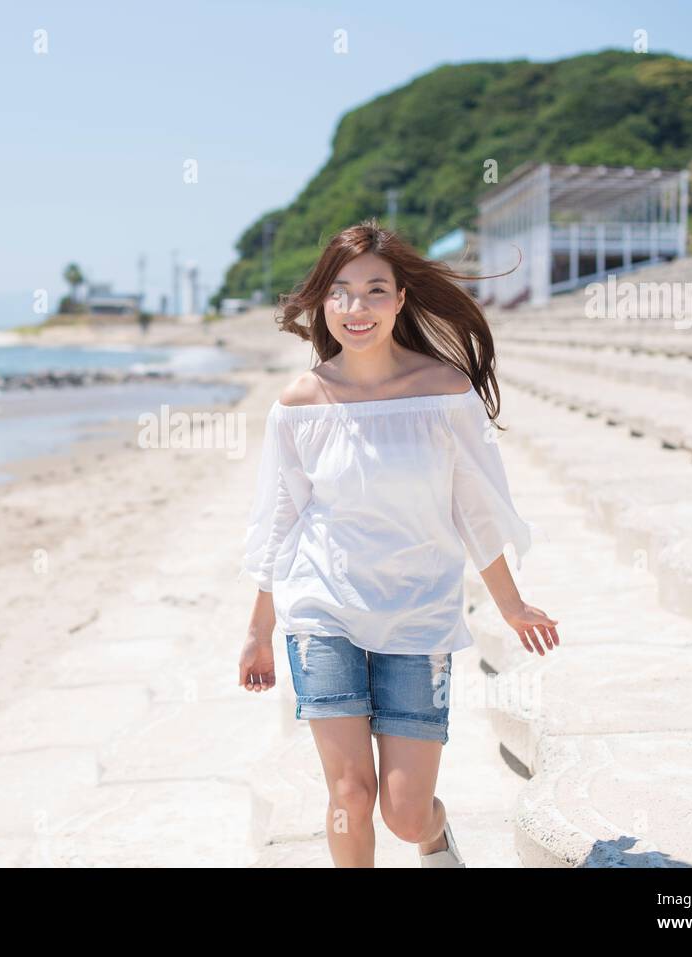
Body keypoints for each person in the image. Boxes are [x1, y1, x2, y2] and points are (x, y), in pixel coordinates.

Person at [237, 220, 559, 868]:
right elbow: (280, 520)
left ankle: (437, 842)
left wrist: (511, 603)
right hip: (322, 610)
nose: (357, 308)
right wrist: (258, 628)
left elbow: (474, 508)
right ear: (323, 302)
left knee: (405, 811)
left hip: (420, 615)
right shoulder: (300, 402)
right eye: (342, 292)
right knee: (349, 795)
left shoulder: (444, 391)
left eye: (375, 291)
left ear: (401, 300)